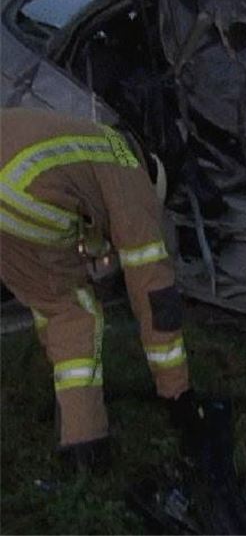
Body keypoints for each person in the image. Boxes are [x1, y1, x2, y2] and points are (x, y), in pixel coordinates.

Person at [0, 107, 200, 470]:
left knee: (51, 301)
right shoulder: (132, 177)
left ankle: (71, 407)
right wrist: (177, 390)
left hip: (11, 188)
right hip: (17, 189)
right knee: (73, 313)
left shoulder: (96, 139)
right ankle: (85, 449)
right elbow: (154, 291)